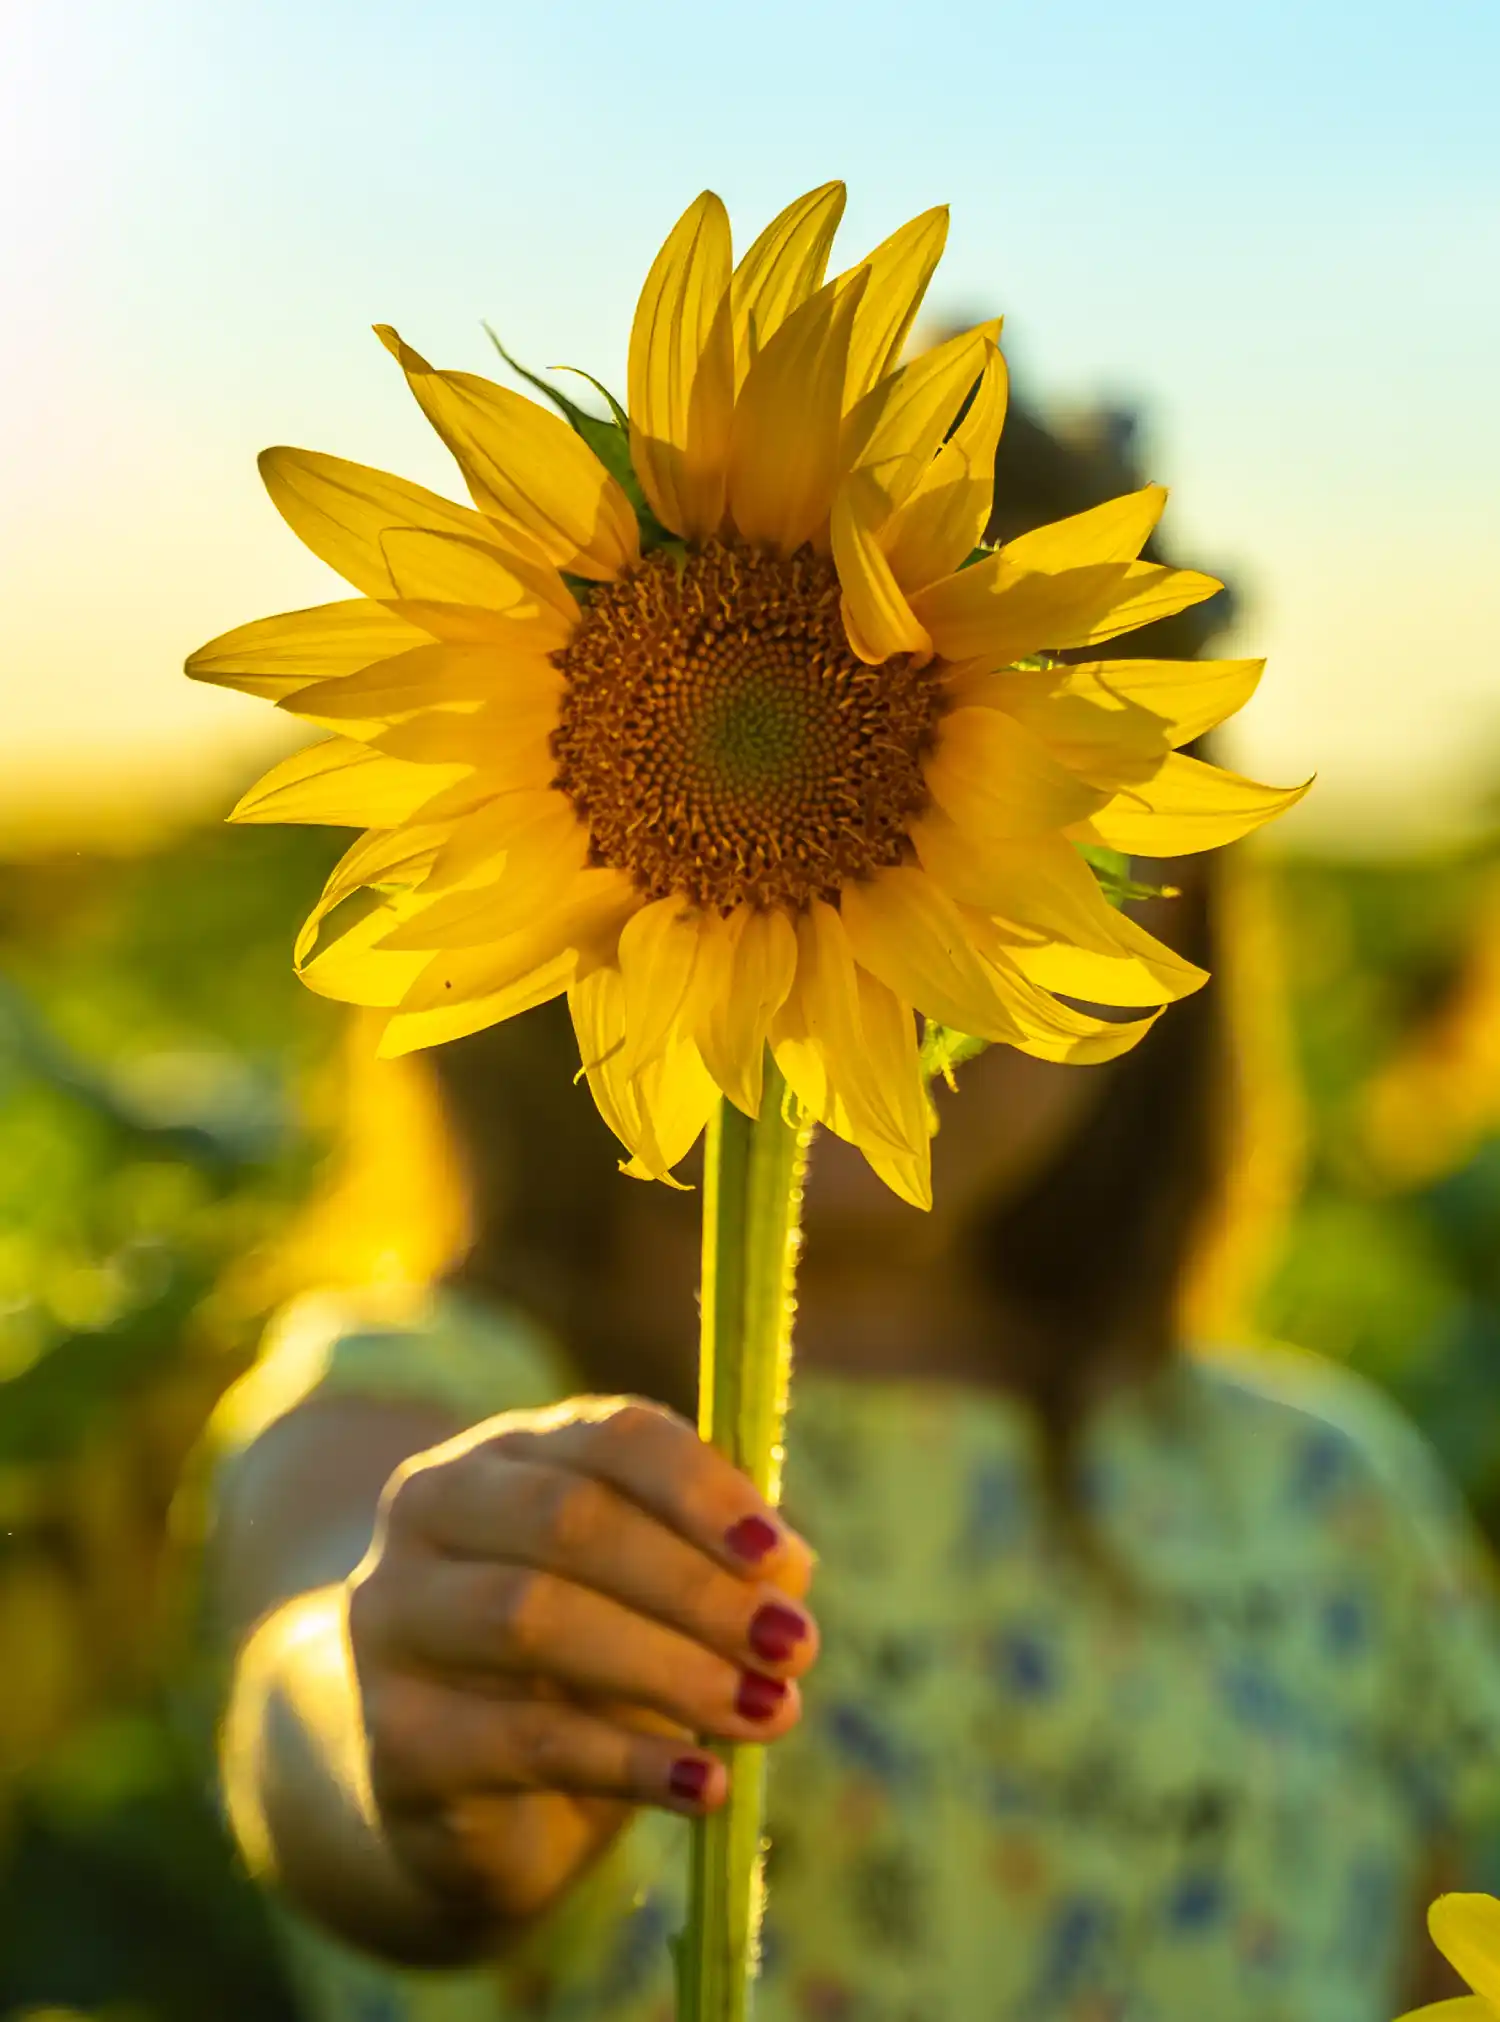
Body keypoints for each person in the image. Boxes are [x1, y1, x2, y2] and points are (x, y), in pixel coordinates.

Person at [198, 403, 1500, 2022]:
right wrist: (420, 1727)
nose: (886, 948)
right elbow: (319, 1670)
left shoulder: (1331, 1503)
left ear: (1172, 932)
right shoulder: (431, 1413)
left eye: (1020, 834)